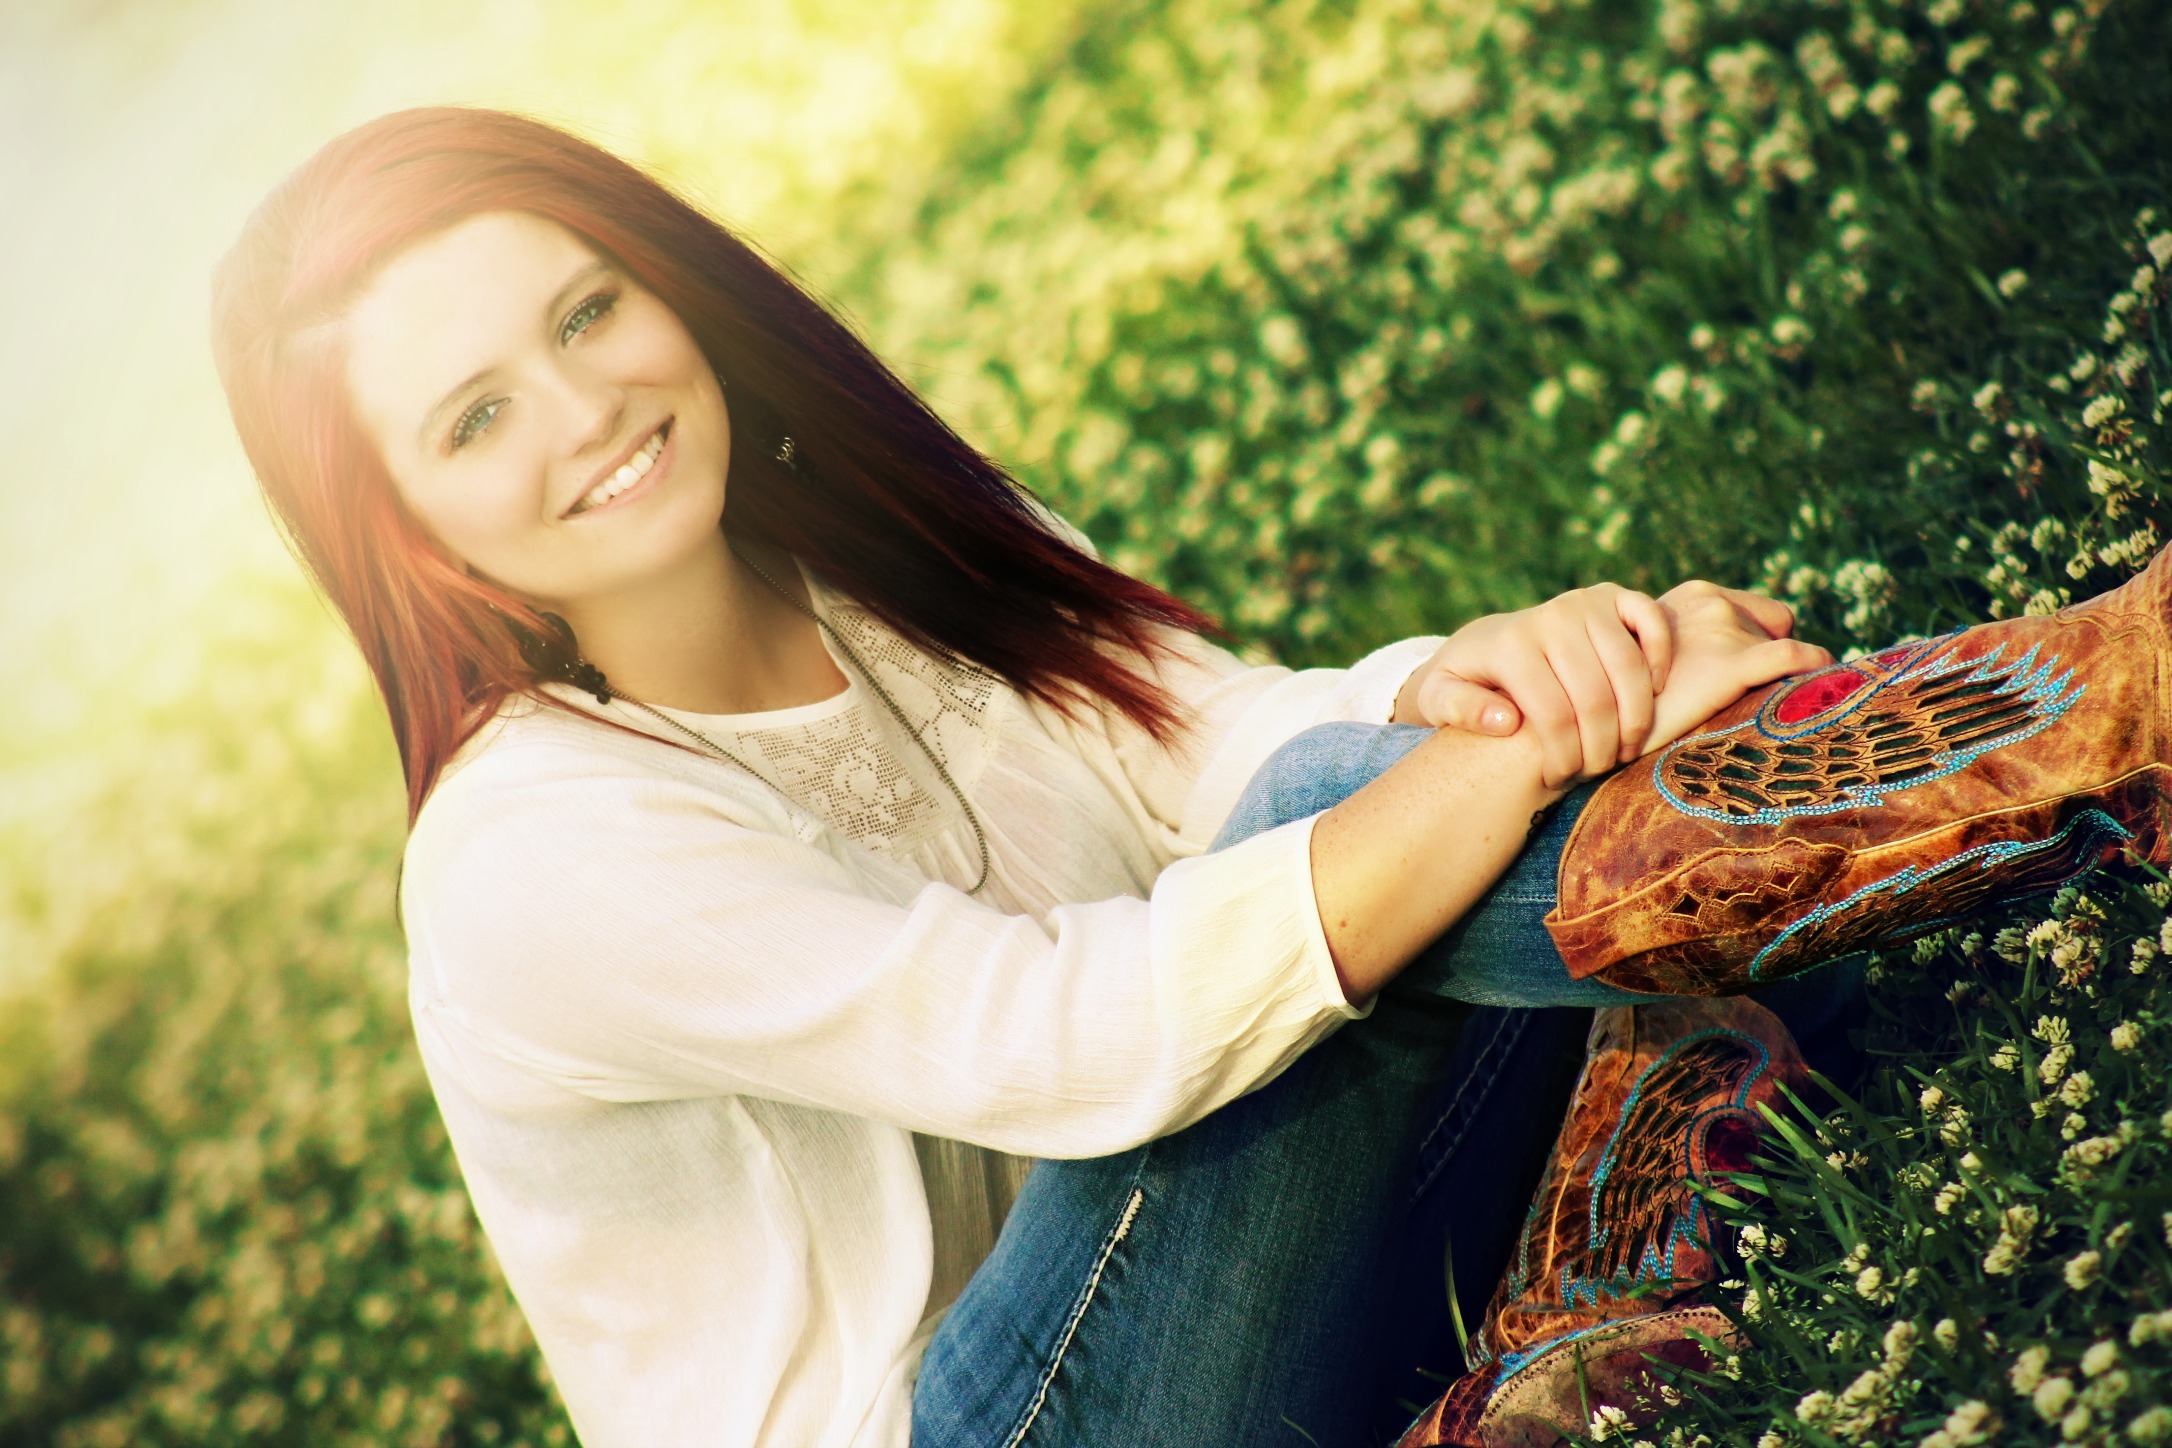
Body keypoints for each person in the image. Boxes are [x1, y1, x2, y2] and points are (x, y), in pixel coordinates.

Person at [209, 106, 2038, 1448]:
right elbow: (1079, 1041)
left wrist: (1504, 680)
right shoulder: (530, 854)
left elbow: (1218, 732)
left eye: (587, 313)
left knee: (1327, 825)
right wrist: (1539, 753)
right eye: (475, 417)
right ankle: (1998, 760)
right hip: (990, 1425)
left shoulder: (854, 546)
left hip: (1202, 1311)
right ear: (406, 536)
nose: (583, 403)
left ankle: (1845, 871)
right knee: (1309, 895)